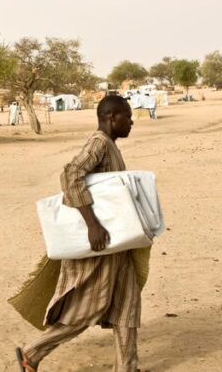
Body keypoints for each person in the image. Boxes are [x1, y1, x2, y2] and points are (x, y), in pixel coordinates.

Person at [12, 95, 147, 372]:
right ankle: (31, 353)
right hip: (100, 245)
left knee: (126, 305)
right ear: (112, 117)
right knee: (87, 309)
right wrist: (92, 225)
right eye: (127, 117)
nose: (132, 122)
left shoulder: (110, 145)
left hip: (116, 245)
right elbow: (71, 175)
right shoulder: (99, 143)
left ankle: (127, 367)